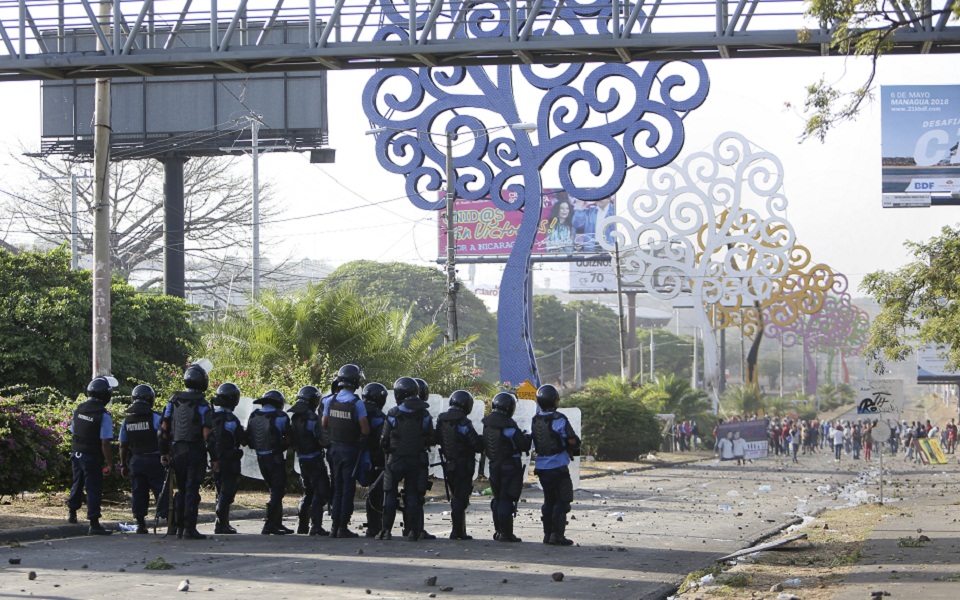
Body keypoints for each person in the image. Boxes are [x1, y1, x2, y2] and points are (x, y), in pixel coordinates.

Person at [378, 376, 435, 541]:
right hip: (416, 460)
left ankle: (386, 530)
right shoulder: (424, 414)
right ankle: (413, 531)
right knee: (413, 495)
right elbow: (430, 438)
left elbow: (383, 440)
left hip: (394, 459)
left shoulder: (393, 414)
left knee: (389, 494)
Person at [160, 364, 212, 540]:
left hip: (178, 451)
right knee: (191, 489)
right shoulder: (203, 404)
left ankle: (177, 527)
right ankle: (189, 528)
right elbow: (207, 433)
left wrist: (164, 453)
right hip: (195, 450)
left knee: (181, 489)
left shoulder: (173, 401)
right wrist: (214, 457)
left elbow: (164, 428)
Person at [322, 364, 370, 538]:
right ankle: (342, 526)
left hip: (334, 449)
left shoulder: (329, 401)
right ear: (355, 381)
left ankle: (334, 526)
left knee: (337, 488)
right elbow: (365, 430)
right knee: (348, 488)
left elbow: (324, 424)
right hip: (349, 450)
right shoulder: (357, 403)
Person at [67, 376, 117, 535]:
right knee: (93, 488)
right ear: (105, 395)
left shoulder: (78, 409)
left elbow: (74, 431)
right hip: (91, 456)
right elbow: (105, 442)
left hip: (76, 453)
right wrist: (109, 463)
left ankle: (72, 513)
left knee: (77, 482)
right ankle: (94, 523)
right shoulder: (103, 415)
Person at [532, 384, 580, 546]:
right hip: (558, 466)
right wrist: (573, 446)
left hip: (542, 467)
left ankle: (547, 534)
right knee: (563, 500)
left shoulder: (535, 419)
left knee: (549, 501)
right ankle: (557, 535)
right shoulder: (559, 419)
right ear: (555, 401)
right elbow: (572, 440)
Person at [481, 392, 531, 543]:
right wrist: (527, 437)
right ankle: (506, 534)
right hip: (510, 466)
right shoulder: (509, 424)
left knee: (497, 499)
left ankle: (498, 531)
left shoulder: (487, 423)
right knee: (506, 499)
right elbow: (522, 444)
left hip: (494, 466)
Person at [118, 384, 167, 534]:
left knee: (138, 492)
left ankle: (140, 524)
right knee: (161, 492)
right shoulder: (156, 417)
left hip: (136, 462)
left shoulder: (127, 421)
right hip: (155, 461)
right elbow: (165, 437)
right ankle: (170, 520)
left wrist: (123, 465)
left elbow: (123, 445)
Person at [436, 389, 483, 540]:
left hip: (449, 464)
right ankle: (457, 531)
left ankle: (459, 530)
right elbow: (475, 444)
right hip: (464, 464)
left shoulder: (442, 420)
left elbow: (436, 438)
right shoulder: (463, 422)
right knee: (460, 498)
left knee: (456, 495)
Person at [248, 389, 293, 535]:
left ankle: (277, 523)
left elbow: (248, 437)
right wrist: (282, 448)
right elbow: (288, 439)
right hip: (275, 457)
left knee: (274, 489)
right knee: (278, 490)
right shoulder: (281, 416)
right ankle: (269, 524)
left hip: (260, 458)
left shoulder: (254, 415)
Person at [288, 385, 331, 536]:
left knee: (308, 492)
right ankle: (316, 526)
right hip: (314, 458)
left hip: (301, 459)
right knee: (321, 490)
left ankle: (302, 526)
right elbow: (321, 440)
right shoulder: (313, 419)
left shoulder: (295, 418)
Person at [207, 382, 246, 535]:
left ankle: (222, 523)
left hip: (214, 459)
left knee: (219, 490)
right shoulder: (232, 420)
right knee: (227, 492)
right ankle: (221, 521)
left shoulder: (211, 416)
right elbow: (242, 440)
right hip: (230, 461)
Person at [360, 382, 388, 538]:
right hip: (374, 457)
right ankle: (374, 526)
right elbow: (382, 439)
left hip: (351, 454)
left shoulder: (356, 408)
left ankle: (339, 524)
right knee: (376, 492)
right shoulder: (378, 415)